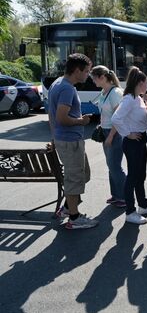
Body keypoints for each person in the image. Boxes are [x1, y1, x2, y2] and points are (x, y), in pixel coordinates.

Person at [48, 53, 98, 229]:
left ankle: (68, 209)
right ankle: (75, 219)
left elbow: (52, 116)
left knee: (83, 175)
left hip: (66, 139)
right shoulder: (67, 88)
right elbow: (62, 118)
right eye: (86, 71)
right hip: (70, 141)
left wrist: (54, 136)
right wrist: (81, 121)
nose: (88, 75)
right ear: (77, 70)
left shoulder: (57, 83)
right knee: (74, 178)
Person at [112, 67, 147, 225]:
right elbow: (116, 119)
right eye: (146, 82)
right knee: (133, 176)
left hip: (141, 139)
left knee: (140, 175)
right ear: (140, 83)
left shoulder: (138, 98)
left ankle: (143, 205)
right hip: (133, 141)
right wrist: (128, 133)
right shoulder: (129, 99)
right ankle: (130, 211)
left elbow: (144, 116)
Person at [91, 65, 126, 208]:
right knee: (111, 166)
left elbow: (119, 117)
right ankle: (116, 195)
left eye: (94, 78)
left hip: (114, 133)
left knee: (115, 166)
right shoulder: (103, 92)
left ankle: (125, 196)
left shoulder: (115, 93)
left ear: (102, 77)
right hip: (106, 131)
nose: (93, 81)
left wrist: (111, 136)